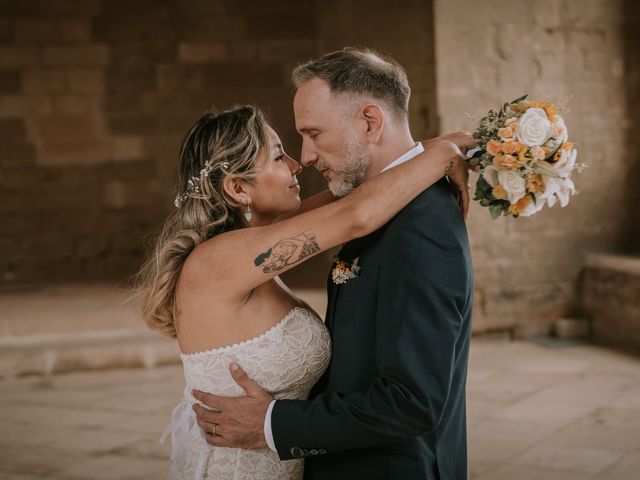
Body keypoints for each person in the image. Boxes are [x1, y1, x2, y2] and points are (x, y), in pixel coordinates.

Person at [135, 96, 474, 476]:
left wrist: (444, 145)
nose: (298, 164)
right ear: (237, 188)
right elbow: (356, 214)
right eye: (279, 157)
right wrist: (444, 154)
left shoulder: (256, 246)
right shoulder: (217, 261)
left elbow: (365, 191)